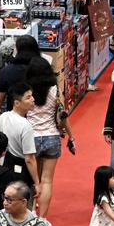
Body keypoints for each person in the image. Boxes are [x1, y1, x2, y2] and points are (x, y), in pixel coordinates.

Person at [26, 56, 73, 217]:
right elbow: (62, 113)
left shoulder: (27, 91)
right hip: (51, 137)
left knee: (34, 179)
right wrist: (71, 136)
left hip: (31, 137)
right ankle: (42, 218)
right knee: (47, 180)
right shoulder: (54, 89)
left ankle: (32, 211)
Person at [0, 83, 39, 195]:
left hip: (3, 169)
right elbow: (29, 158)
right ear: (17, 103)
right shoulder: (26, 125)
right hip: (21, 174)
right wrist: (37, 183)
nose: (33, 99)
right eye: (28, 97)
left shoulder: (2, 117)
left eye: (32, 96)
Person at [0, 35, 39, 117]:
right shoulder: (43, 67)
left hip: (15, 118)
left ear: (17, 50)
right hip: (41, 118)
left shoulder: (7, 71)